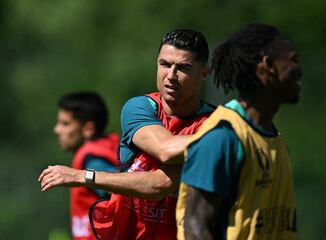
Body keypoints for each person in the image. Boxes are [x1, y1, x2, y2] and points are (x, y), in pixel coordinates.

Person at [39, 29, 215, 240]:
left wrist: (82, 176)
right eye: (165, 64)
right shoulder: (140, 107)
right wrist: (222, 138)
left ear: (204, 73)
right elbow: (164, 148)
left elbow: (160, 182)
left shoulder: (214, 122)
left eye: (183, 68)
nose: (171, 76)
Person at [176, 23, 303, 240]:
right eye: (292, 60)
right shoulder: (223, 138)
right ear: (269, 65)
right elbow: (195, 228)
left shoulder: (275, 141)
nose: (299, 69)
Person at [46, 92, 120, 240]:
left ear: (88, 129)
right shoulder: (108, 147)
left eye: (65, 124)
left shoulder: (92, 158)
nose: (57, 130)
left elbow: (121, 190)